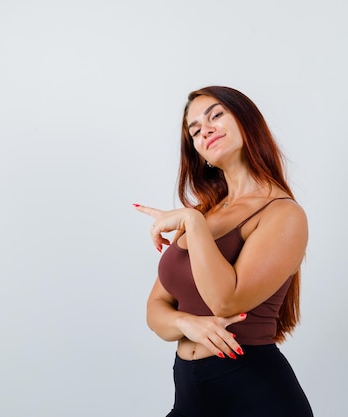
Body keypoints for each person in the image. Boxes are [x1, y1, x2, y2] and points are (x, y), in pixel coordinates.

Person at [133, 86, 314, 417]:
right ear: (198, 151)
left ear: (247, 122)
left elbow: (226, 300)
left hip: (255, 396)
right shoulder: (206, 213)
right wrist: (188, 324)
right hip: (190, 397)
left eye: (216, 115)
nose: (206, 130)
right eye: (195, 130)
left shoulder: (282, 213)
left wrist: (192, 220)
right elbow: (155, 309)